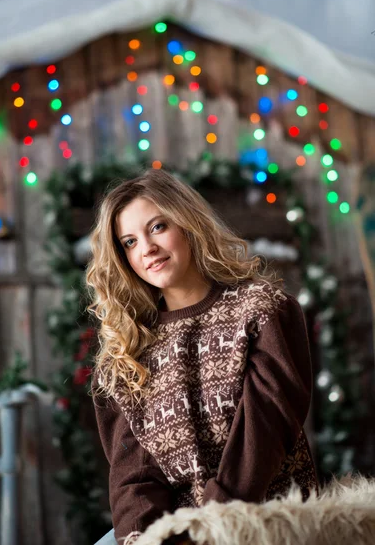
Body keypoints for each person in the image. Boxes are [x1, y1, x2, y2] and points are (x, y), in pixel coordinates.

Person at [87, 169, 318, 545]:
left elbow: (264, 434)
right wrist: (148, 539)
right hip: (173, 534)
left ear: (188, 223)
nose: (146, 248)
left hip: (257, 517)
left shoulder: (261, 311)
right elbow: (135, 480)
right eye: (129, 241)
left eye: (158, 227)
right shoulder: (127, 352)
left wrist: (209, 528)